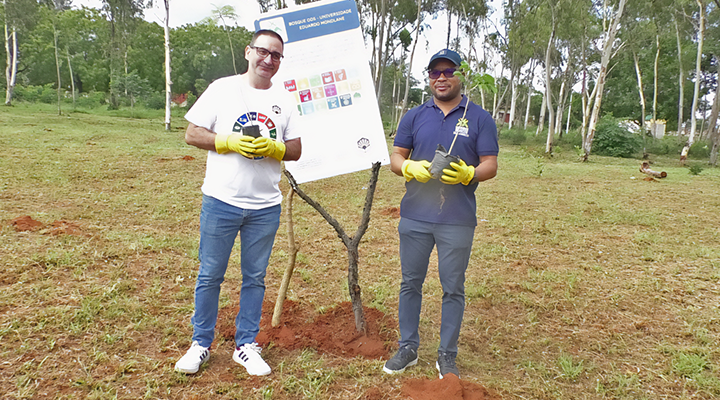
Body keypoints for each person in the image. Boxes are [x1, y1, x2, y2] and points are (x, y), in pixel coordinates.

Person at [174, 29, 301, 376]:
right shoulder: (222, 89)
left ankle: (246, 345)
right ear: (248, 52)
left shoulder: (285, 100)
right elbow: (192, 133)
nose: (268, 60)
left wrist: (276, 147)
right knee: (210, 274)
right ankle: (200, 343)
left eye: (276, 55)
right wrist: (226, 141)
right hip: (221, 200)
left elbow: (296, 148)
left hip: (265, 207)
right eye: (263, 51)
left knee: (255, 278)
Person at [383, 49, 498, 379]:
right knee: (410, 283)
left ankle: (447, 354)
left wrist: (469, 174)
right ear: (429, 78)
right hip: (415, 215)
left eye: (449, 71)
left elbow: (490, 164)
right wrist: (408, 167)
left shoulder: (479, 118)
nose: (442, 78)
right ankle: (408, 347)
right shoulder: (414, 116)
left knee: (453, 288)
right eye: (435, 73)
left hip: (457, 218)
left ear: (460, 76)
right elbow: (396, 157)